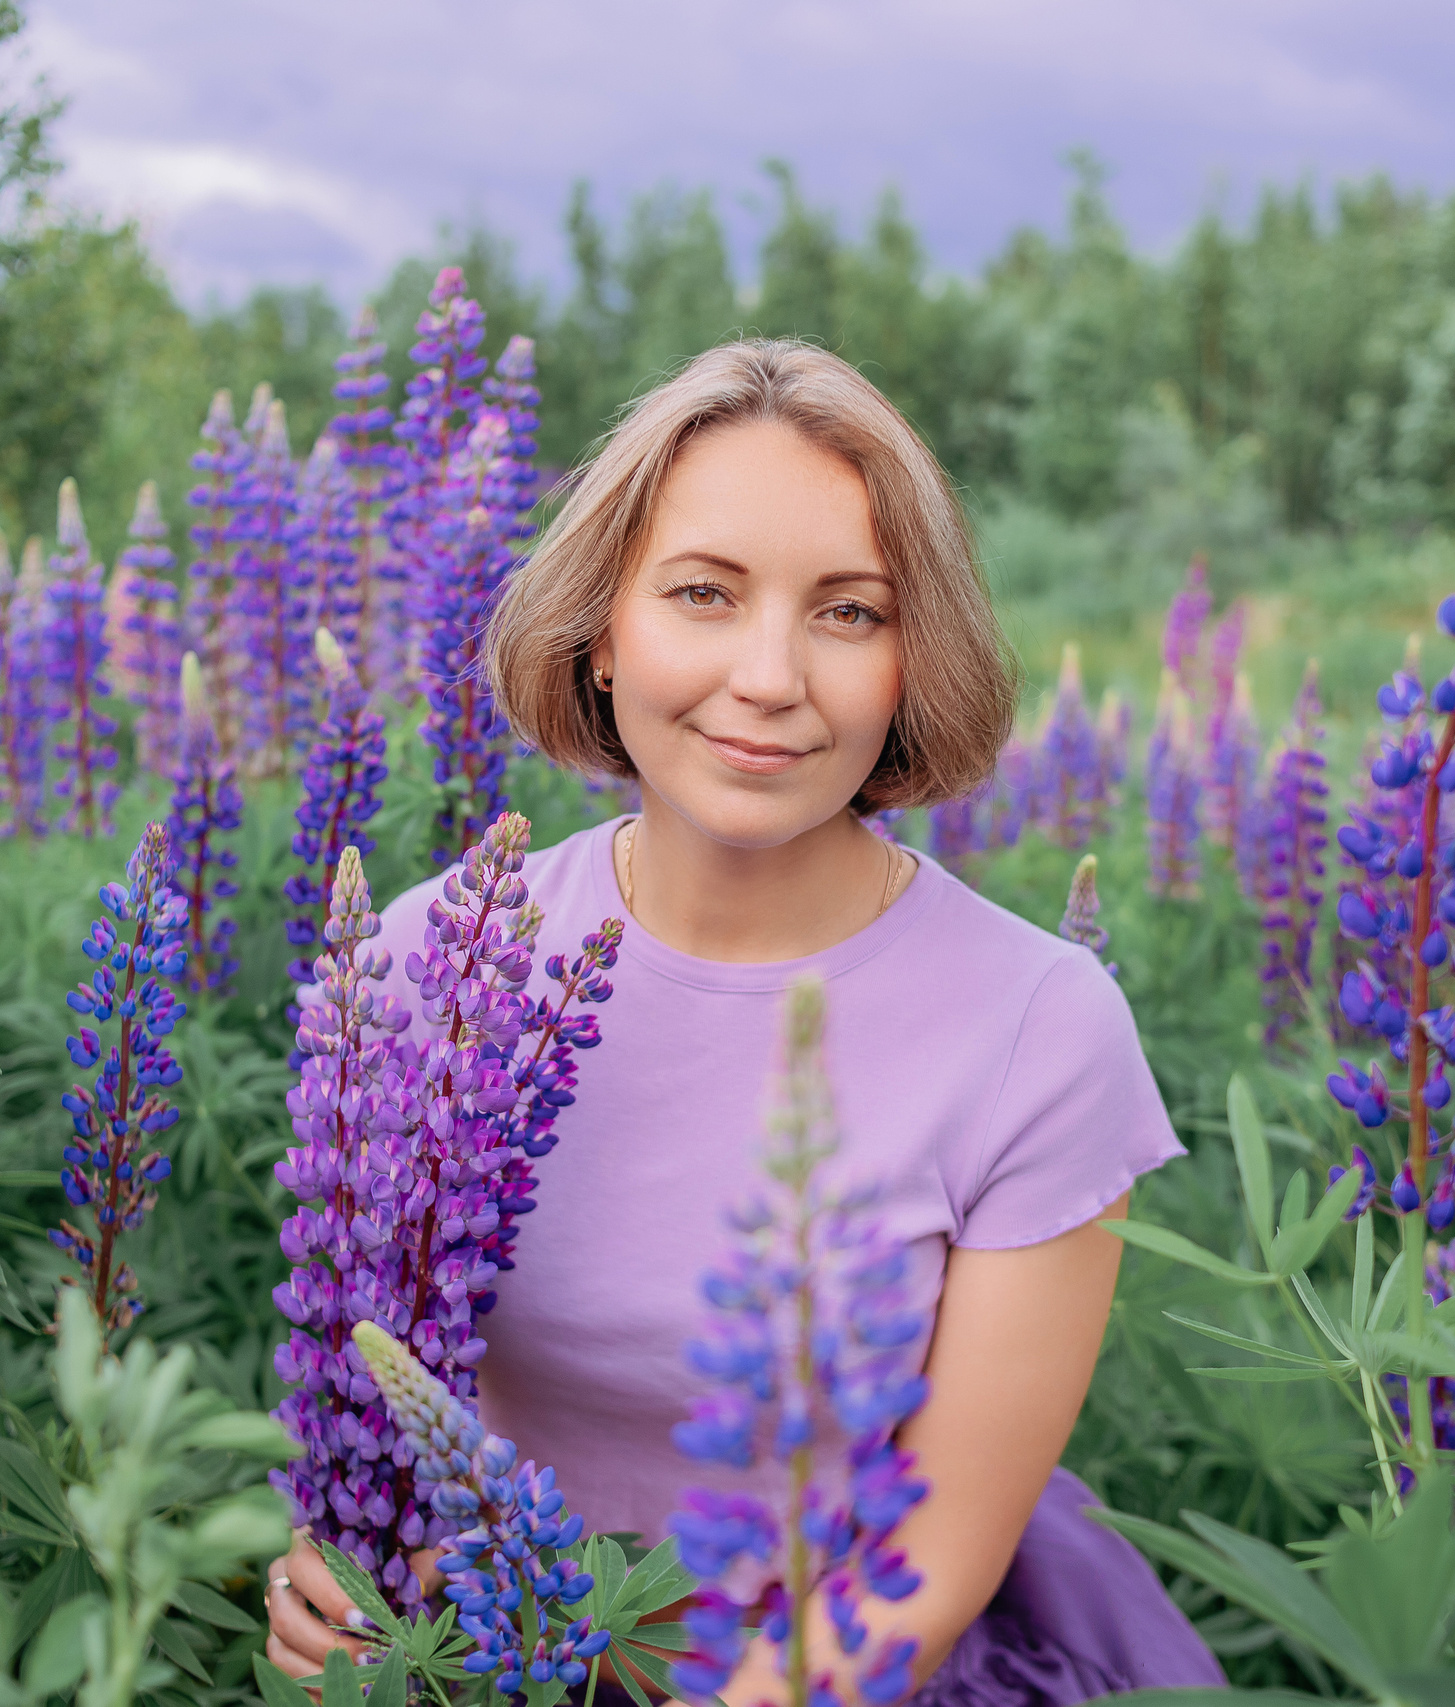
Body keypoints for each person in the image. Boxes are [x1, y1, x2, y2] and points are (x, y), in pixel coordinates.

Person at [264, 341, 1224, 1704]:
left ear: (914, 660)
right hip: (487, 1658)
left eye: (849, 612)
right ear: (603, 631)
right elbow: (358, 1367)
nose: (770, 676)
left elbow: (941, 1549)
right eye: (704, 594)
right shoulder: (433, 958)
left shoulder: (1042, 1027)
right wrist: (324, 1571)